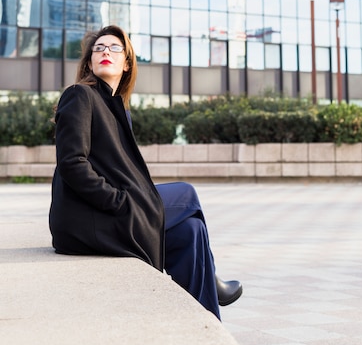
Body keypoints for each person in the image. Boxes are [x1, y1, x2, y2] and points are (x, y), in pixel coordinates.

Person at [49, 24, 242, 320]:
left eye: (114, 48)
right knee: (187, 194)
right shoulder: (80, 95)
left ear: (127, 63)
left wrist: (127, 200)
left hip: (106, 210)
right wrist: (120, 202)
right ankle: (212, 285)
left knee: (190, 231)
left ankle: (205, 323)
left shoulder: (116, 107)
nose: (105, 52)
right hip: (86, 218)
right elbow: (73, 164)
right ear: (88, 62)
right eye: (98, 49)